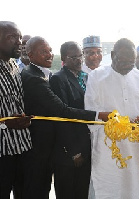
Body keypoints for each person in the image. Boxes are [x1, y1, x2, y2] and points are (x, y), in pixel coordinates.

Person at [21, 36, 105, 199]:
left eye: (49, 50)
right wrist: (73, 151)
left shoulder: (82, 77)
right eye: (43, 52)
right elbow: (62, 112)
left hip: (80, 146)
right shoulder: (51, 78)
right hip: (60, 151)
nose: (49, 55)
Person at [85, 38, 139, 199]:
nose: (128, 65)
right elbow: (91, 109)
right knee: (109, 186)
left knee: (135, 184)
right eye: (123, 61)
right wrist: (110, 122)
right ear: (113, 55)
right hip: (107, 144)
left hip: (134, 144)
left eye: (131, 62)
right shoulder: (97, 76)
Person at [49, 41, 91, 199]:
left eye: (80, 56)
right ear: (64, 59)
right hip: (69, 152)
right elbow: (62, 116)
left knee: (82, 191)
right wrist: (74, 152)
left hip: (86, 146)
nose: (79, 60)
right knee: (67, 192)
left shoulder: (85, 78)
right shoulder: (58, 79)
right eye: (74, 57)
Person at [0, 21, 32, 199]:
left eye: (20, 37)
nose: (19, 42)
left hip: (22, 147)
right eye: (12, 37)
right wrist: (5, 124)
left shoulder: (14, 66)